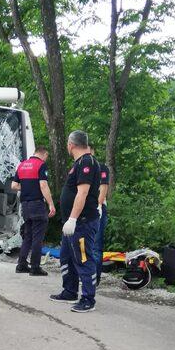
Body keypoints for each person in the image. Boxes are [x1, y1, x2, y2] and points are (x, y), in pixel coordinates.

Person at [50, 130, 101, 313]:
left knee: (83, 258)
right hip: (71, 223)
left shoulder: (87, 162)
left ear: (71, 144)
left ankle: (88, 298)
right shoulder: (79, 163)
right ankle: (69, 291)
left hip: (82, 222)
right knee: (66, 256)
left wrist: (72, 218)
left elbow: (83, 193)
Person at [11, 146, 55, 276]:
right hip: (37, 204)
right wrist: (51, 204)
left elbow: (13, 185)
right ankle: (35, 267)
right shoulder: (41, 165)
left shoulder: (22, 165)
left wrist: (25, 188)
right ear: (44, 154)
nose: (46, 159)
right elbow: (43, 185)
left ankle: (21, 265)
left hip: (25, 205)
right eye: (46, 157)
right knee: (38, 237)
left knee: (28, 235)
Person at [90, 147, 110, 286]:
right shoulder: (79, 167)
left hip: (97, 209)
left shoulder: (101, 167)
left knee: (96, 247)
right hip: (82, 210)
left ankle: (95, 279)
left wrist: (97, 206)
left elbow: (103, 188)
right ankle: (86, 276)